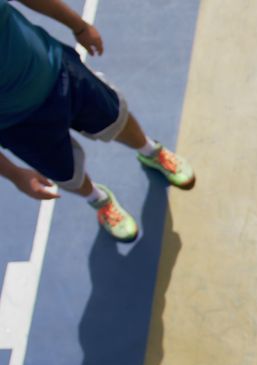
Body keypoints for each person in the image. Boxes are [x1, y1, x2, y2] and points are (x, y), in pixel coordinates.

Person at [0, 0, 195, 243]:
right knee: (67, 174)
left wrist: (79, 26)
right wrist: (14, 174)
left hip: (58, 71)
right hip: (19, 126)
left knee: (115, 118)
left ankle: (150, 151)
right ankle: (99, 200)